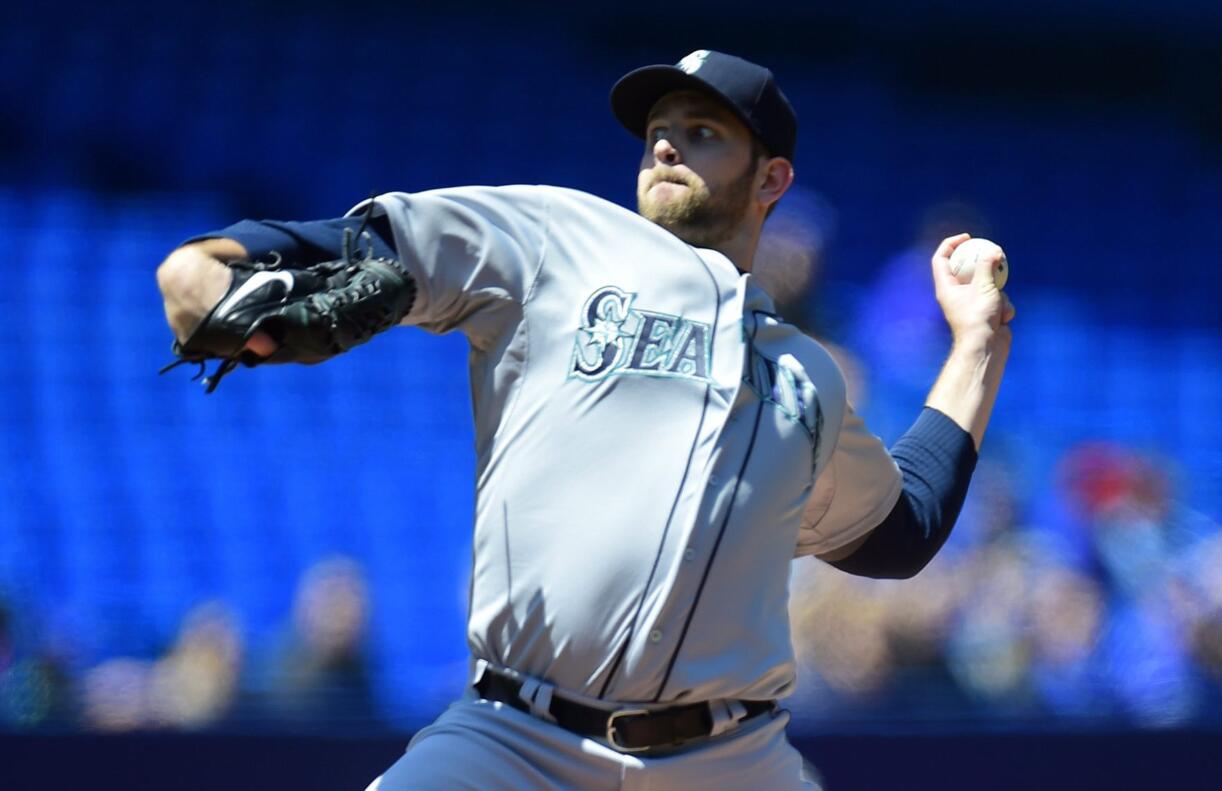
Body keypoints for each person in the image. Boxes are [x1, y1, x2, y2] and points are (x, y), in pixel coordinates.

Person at [156, 50, 1013, 790]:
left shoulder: (805, 376)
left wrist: (977, 341)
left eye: (705, 131)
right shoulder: (556, 240)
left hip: (729, 758)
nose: (668, 143)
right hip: (511, 739)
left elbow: (899, 532)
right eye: (658, 131)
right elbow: (366, 251)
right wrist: (213, 266)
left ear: (772, 180)